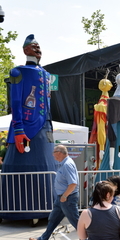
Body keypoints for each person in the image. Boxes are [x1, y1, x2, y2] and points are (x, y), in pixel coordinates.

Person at [1, 34, 57, 221]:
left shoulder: (48, 75)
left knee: (48, 167)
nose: (38, 49)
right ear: (25, 50)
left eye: (39, 46)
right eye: (34, 46)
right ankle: (19, 210)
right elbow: (16, 101)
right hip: (26, 127)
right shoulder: (18, 72)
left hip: (45, 127)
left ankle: (47, 207)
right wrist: (18, 129)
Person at [29, 145, 79, 240]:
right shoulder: (64, 163)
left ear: (59, 153)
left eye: (54, 153)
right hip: (62, 198)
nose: (53, 155)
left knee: (76, 222)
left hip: (67, 198)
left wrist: (64, 196)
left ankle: (90, 237)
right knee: (53, 219)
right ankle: (43, 238)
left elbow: (73, 183)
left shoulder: (67, 165)